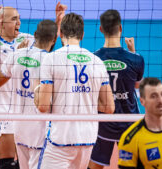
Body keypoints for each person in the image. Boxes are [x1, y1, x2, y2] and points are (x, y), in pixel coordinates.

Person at [0, 3, 66, 169]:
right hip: (2, 110)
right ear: (2, 23)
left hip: (25, 110)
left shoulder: (26, 39)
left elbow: (47, 45)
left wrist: (57, 22)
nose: (19, 22)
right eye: (14, 19)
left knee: (24, 162)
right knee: (7, 163)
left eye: (19, 18)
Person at [35, 13, 115, 169]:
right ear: (82, 35)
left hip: (61, 139)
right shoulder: (97, 62)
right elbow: (109, 107)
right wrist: (85, 100)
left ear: (61, 33)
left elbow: (43, 106)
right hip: (87, 140)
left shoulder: (51, 59)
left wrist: (36, 88)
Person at [0, 19, 58, 169]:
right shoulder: (51, 61)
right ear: (54, 39)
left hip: (19, 128)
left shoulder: (15, 55)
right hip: (40, 132)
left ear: (35, 35)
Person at [89, 9, 145, 169]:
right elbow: (136, 86)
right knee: (132, 166)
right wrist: (132, 52)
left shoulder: (93, 60)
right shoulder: (137, 59)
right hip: (128, 124)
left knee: (94, 166)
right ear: (120, 28)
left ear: (100, 29)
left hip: (102, 125)